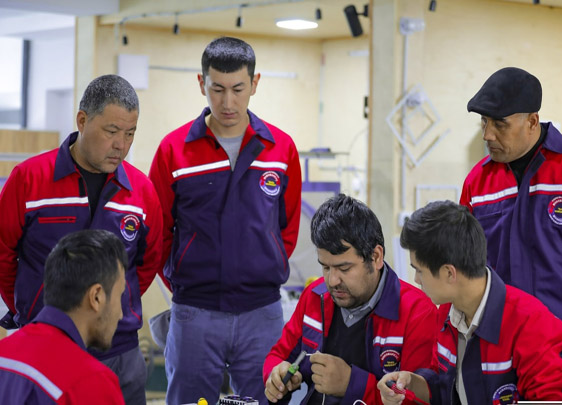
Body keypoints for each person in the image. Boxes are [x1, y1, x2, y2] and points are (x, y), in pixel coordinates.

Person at [149, 36, 302, 404]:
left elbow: (288, 227)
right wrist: (183, 280)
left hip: (262, 313)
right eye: (217, 89)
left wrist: (264, 266)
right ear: (201, 83)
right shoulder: (173, 150)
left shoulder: (280, 149)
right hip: (194, 311)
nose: (228, 102)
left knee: (267, 400)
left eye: (238, 89)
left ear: (255, 83)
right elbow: (157, 232)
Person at [0, 74, 163, 404]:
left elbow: (147, 263)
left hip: (119, 351)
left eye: (130, 133)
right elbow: (3, 255)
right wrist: (28, 307)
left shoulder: (141, 191)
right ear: (82, 120)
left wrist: (114, 305)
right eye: (111, 131)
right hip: (46, 346)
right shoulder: (30, 179)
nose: (121, 145)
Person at [378, 200, 562, 404]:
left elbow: (551, 399)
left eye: (419, 271)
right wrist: (410, 382)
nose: (416, 280)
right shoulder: (447, 312)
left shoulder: (531, 324)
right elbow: (443, 387)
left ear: (449, 273)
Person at [263, 194, 437, 405]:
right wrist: (275, 375)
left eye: (344, 268)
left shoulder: (417, 313)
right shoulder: (314, 297)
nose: (332, 280)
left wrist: (352, 384)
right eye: (325, 267)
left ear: (376, 257)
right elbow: (278, 355)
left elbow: (419, 401)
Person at [460, 67, 562, 319]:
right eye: (484, 121)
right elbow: (463, 264)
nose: (487, 134)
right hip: (499, 334)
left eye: (499, 124)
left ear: (532, 122)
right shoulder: (477, 183)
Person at [0, 229, 127, 404]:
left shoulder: (4, 356)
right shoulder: (92, 383)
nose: (121, 314)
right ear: (96, 297)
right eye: (120, 296)